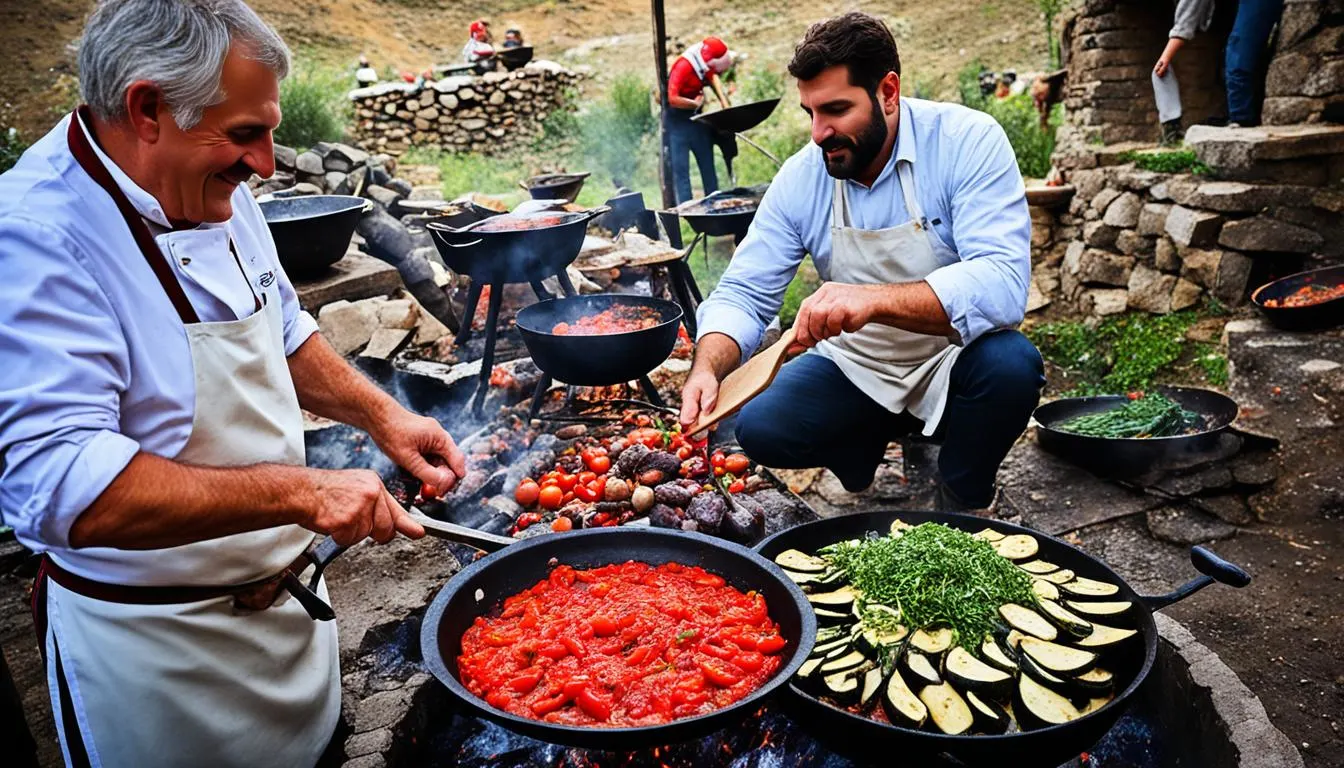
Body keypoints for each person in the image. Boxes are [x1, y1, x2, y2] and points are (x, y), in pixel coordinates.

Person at [0, 2, 468, 765]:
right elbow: (61, 487)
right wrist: (305, 492)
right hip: (163, 667)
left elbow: (279, 327)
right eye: (246, 134)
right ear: (146, 108)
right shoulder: (34, 237)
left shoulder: (217, 183)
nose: (267, 164)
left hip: (284, 623)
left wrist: (382, 417)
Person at [679, 12, 1044, 512]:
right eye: (810, 111)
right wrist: (708, 366)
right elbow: (745, 292)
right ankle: (860, 450)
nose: (818, 132)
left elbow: (1003, 285)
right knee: (762, 427)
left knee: (1013, 367)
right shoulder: (803, 177)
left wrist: (871, 301)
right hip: (857, 364)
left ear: (888, 92)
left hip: (953, 358)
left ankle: (963, 486)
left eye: (835, 110)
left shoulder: (967, 142)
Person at [665, 36, 736, 204]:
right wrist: (693, 103)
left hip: (697, 121)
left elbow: (712, 77)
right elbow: (672, 98)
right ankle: (687, 210)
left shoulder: (704, 62)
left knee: (707, 166)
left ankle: (714, 203)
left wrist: (724, 102)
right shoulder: (683, 66)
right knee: (682, 172)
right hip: (676, 124)